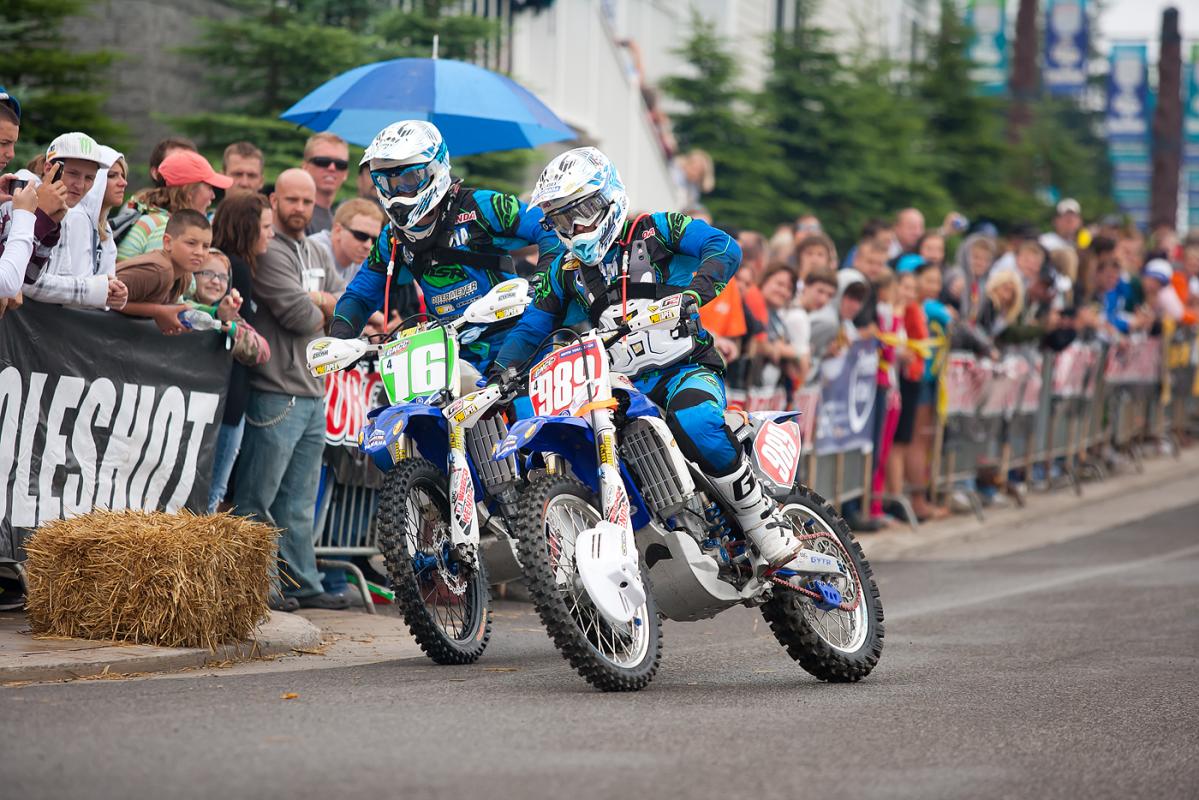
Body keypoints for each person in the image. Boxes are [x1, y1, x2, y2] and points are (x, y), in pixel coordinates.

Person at [491, 147, 809, 567]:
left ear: (608, 197)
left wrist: (695, 292)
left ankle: (762, 522)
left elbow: (723, 247)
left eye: (583, 211)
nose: (577, 227)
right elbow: (534, 325)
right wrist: (497, 377)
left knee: (695, 420)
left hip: (683, 368)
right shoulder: (563, 271)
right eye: (562, 220)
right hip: (619, 386)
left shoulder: (654, 229)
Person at [329, 121, 561, 380]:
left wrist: (542, 283)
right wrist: (339, 339)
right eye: (386, 183)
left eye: (407, 179)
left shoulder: (482, 206)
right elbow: (360, 295)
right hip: (449, 355)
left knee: (526, 417)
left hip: (516, 339)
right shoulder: (393, 239)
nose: (397, 193)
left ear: (434, 170)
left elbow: (549, 226)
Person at [232, 168, 347, 612]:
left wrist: (317, 301)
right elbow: (300, 318)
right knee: (257, 497)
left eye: (307, 201)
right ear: (274, 200)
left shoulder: (313, 250)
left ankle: (302, 582)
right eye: (292, 200)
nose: (301, 208)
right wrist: (321, 304)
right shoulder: (270, 251)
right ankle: (257, 588)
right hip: (276, 392)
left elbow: (349, 300)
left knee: (299, 501)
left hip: (314, 392)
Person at [208, 191, 276, 512]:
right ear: (247, 228)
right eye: (265, 227)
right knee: (214, 495)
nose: (271, 235)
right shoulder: (237, 268)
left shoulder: (219, 262)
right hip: (228, 394)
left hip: (213, 394)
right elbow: (240, 338)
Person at [24, 133, 127, 310]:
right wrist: (97, 289)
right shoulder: (23, 204)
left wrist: (108, 290)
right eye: (73, 173)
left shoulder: (66, 211)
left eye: (89, 178)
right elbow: (27, 282)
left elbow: (62, 277)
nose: (80, 185)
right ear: (49, 169)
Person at [117, 209, 237, 332]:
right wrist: (158, 312)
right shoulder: (160, 270)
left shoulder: (185, 277)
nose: (200, 252)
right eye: (191, 243)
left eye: (206, 246)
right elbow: (105, 300)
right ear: (167, 242)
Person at [117, 151, 232, 261]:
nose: (213, 196)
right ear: (189, 191)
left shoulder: (155, 216)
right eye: (209, 187)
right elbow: (160, 279)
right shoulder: (164, 227)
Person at [309, 198, 385, 284]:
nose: (368, 246)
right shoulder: (314, 251)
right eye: (361, 235)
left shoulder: (356, 259)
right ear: (338, 231)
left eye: (374, 240)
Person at [301, 132, 350, 235]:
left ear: (346, 173)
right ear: (305, 167)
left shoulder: (342, 221)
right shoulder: (297, 214)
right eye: (322, 161)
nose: (332, 168)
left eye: (340, 164)